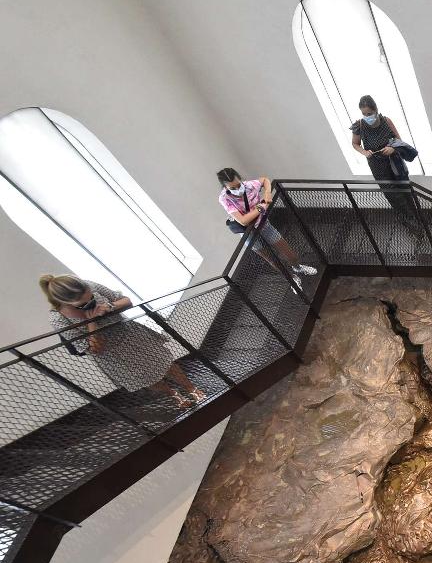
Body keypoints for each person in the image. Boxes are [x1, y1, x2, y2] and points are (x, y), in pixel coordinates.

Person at [39, 275, 205, 408]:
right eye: (83, 303)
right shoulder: (58, 318)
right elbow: (94, 349)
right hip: (112, 355)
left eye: (91, 298)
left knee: (165, 364)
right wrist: (91, 322)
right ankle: (175, 395)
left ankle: (191, 388)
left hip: (131, 336)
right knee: (145, 379)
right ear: (67, 302)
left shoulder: (91, 285)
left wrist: (110, 307)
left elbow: (126, 300)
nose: (90, 303)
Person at [217, 168, 318, 291]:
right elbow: (243, 221)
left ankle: (297, 267)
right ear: (225, 187)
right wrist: (261, 207)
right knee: (272, 259)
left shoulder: (250, 185)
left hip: (264, 225)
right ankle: (292, 278)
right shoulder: (224, 199)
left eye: (238, 185)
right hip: (248, 233)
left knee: (288, 252)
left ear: (241, 180)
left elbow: (265, 180)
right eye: (232, 188)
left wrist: (267, 193)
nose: (237, 189)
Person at [350, 94, 418, 215]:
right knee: (393, 196)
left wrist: (392, 148)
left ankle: (418, 218)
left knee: (406, 190)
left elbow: (398, 139)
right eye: (364, 114)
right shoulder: (359, 125)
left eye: (369, 113)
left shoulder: (386, 121)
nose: (367, 117)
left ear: (376, 110)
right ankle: (410, 224)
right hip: (377, 166)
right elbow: (355, 144)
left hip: (394, 161)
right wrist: (365, 152)